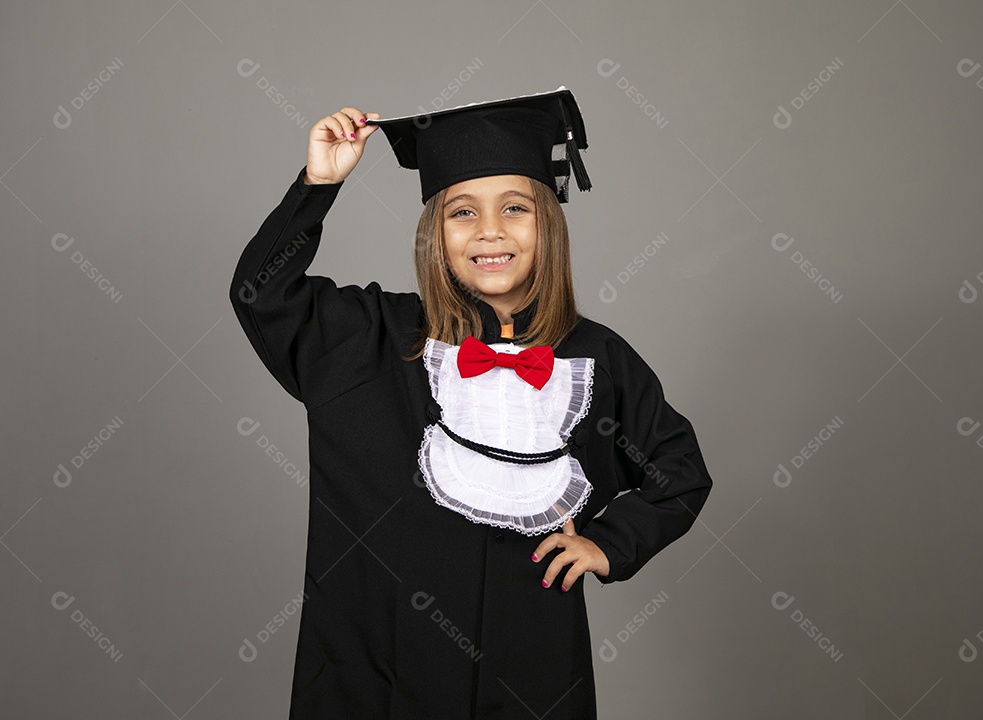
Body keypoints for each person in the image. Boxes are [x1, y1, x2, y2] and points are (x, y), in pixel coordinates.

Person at [229, 86, 713, 720]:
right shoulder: (369, 339)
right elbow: (260, 292)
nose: (490, 231)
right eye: (462, 212)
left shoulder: (596, 358)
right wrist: (318, 185)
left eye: (515, 208)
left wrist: (609, 543)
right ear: (436, 231)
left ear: (549, 223)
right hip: (377, 670)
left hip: (530, 670)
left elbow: (676, 471)